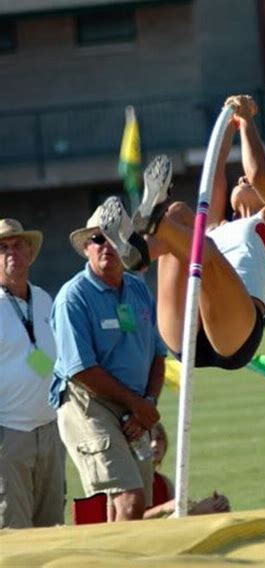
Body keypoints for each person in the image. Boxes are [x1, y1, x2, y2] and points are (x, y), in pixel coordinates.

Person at [97, 94, 265, 370]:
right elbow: (215, 170)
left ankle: (154, 221)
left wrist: (247, 120)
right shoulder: (216, 226)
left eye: (245, 179)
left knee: (204, 250)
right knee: (180, 214)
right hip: (184, 329)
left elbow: (259, 174)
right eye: (241, 178)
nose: (242, 177)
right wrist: (228, 122)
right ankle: (139, 251)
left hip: (235, 336)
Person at [49, 203, 168, 521]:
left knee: (135, 503)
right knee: (128, 498)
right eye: (97, 239)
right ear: (86, 248)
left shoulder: (138, 290)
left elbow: (158, 354)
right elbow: (81, 369)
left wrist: (147, 403)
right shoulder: (73, 297)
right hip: (88, 403)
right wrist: (138, 405)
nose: (106, 245)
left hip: (135, 404)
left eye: (113, 237)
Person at [0, 218, 65, 529]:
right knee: (14, 530)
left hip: (50, 430)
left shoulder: (43, 299)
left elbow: (41, 358)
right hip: (9, 433)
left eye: (17, 245)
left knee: (51, 526)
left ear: (30, 252)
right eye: (3, 248)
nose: (11, 252)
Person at [143, 422, 230, 518]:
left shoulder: (164, 482)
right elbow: (127, 520)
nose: (155, 444)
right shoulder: (132, 482)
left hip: (166, 529)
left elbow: (178, 509)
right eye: (149, 439)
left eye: (159, 439)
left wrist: (216, 502)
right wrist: (162, 508)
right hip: (145, 531)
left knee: (214, 507)